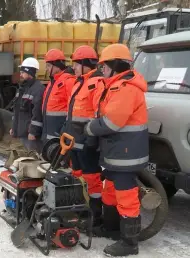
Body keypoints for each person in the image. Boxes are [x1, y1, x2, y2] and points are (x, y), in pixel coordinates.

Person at [84, 43, 149, 257]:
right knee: (110, 191)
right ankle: (111, 229)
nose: (101, 70)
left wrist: (90, 127)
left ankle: (129, 243)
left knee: (126, 196)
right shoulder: (114, 85)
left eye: (104, 66)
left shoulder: (127, 88)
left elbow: (112, 122)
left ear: (116, 65)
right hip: (116, 152)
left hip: (126, 154)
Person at [64, 45, 105, 226]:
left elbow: (99, 114)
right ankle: (80, 208)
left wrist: (92, 140)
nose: (73, 67)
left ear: (86, 64)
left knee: (92, 178)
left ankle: (95, 214)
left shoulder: (97, 83)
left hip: (88, 143)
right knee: (77, 175)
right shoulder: (79, 82)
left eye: (76, 64)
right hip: (75, 141)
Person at [10, 57, 44, 152]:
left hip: (30, 135)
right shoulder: (22, 88)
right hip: (22, 132)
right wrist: (13, 127)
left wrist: (33, 132)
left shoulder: (38, 89)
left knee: (33, 157)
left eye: (22, 72)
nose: (20, 74)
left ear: (30, 72)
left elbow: (37, 114)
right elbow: (17, 110)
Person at [42, 49, 75, 144]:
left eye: (48, 66)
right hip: (49, 132)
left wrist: (65, 129)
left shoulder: (68, 81)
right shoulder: (52, 82)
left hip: (60, 133)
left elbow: (73, 108)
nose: (46, 69)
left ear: (57, 66)